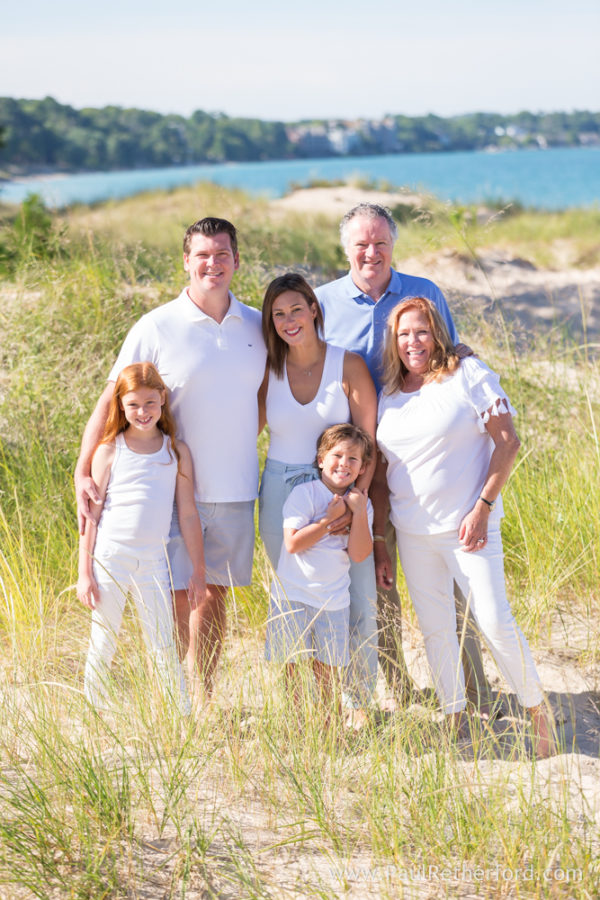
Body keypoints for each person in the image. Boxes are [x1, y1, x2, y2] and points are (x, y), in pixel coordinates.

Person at [75, 217, 266, 698]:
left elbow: (268, 393)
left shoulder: (259, 326)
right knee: (177, 595)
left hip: (237, 485)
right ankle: (172, 690)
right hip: (171, 491)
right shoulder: (156, 325)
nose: (212, 264)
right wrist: (83, 469)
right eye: (202, 255)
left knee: (214, 593)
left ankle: (200, 694)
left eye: (222, 254)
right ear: (186, 261)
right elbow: (111, 399)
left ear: (236, 261)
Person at [315, 202, 491, 709]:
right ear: (345, 248)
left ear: (393, 245)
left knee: (451, 580)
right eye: (361, 244)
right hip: (357, 465)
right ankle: (398, 687)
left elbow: (449, 360)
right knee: (375, 579)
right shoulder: (323, 302)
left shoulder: (424, 293)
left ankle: (473, 690)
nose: (371, 252)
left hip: (424, 462)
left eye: (380, 242)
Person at [372, 297, 554, 755]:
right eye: (403, 334)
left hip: (470, 527)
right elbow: (381, 472)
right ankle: (453, 719)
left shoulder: (467, 375)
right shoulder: (388, 395)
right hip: (413, 532)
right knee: (434, 629)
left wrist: (483, 506)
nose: (413, 341)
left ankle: (537, 711)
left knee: (494, 621)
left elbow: (507, 443)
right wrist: (382, 539)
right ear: (393, 342)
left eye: (421, 331)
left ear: (437, 333)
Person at [257, 272, 377, 723]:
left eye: (296, 309)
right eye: (279, 314)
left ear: (313, 308)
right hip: (281, 489)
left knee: (355, 594)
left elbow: (369, 440)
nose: (290, 320)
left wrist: (355, 501)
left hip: (341, 486)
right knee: (296, 598)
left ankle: (359, 700)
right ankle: (309, 711)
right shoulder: (268, 369)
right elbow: (244, 427)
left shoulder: (347, 365)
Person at [77, 363, 206, 713]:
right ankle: (94, 715)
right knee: (103, 638)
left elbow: (188, 513)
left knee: (162, 640)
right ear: (120, 405)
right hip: (110, 557)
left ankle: (178, 715)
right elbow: (92, 517)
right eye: (133, 404)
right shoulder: (109, 450)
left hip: (153, 560)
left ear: (163, 400)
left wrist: (198, 569)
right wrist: (84, 571)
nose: (143, 412)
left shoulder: (176, 452)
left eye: (150, 403)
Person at [266, 424, 373, 725]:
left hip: (332, 600)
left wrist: (359, 513)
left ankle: (328, 727)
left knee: (328, 670)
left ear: (363, 466)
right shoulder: (304, 494)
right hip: (293, 596)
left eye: (353, 459)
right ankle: (296, 726)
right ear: (321, 459)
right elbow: (293, 543)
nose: (344, 463)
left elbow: (359, 553)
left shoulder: (361, 505)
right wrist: (329, 519)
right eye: (337, 455)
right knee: (293, 667)